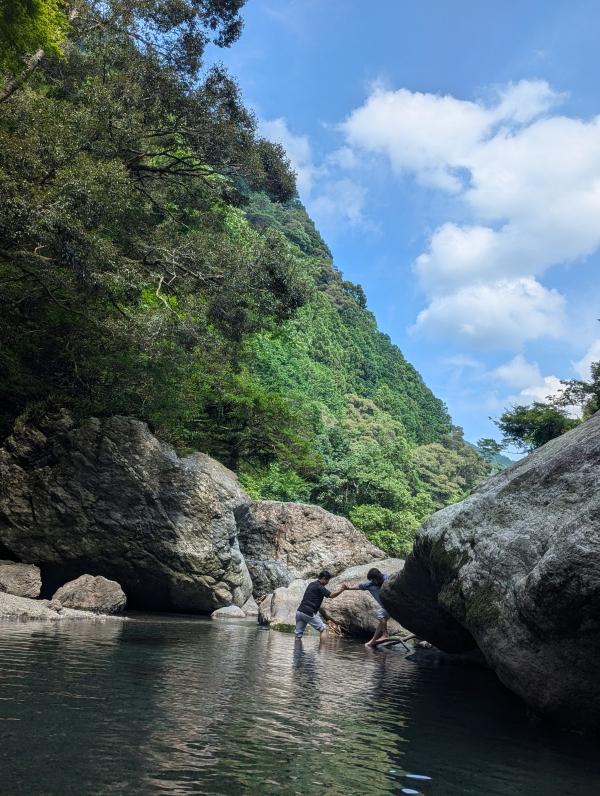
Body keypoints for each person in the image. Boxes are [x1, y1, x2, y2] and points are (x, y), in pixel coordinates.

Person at [295, 570, 347, 640]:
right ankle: (322, 650)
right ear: (323, 578)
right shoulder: (320, 587)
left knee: (298, 634)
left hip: (299, 612)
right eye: (327, 580)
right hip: (309, 612)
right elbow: (331, 595)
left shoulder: (311, 584)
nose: (328, 582)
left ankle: (297, 650)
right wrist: (342, 590)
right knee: (323, 629)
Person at [345, 567, 390, 647]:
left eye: (373, 579)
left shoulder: (387, 579)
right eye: (371, 580)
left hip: (393, 604)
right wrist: (348, 588)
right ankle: (372, 642)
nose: (372, 581)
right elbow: (359, 587)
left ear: (377, 577)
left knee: (379, 614)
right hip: (386, 606)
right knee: (381, 621)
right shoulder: (370, 585)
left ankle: (385, 634)